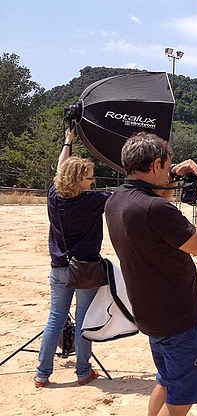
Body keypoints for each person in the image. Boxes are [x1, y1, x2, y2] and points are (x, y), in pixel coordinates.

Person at [105, 132, 197, 416]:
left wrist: (173, 175)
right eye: (167, 167)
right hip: (179, 318)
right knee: (180, 399)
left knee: (167, 381)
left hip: (151, 315)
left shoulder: (116, 201)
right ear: (155, 165)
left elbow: (154, 200)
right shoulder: (154, 209)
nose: (171, 172)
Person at [34, 128, 110, 387]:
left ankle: (42, 374)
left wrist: (68, 140)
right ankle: (82, 371)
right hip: (85, 268)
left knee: (55, 318)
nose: (92, 181)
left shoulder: (54, 197)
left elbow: (60, 169)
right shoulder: (92, 201)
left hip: (59, 267)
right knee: (83, 320)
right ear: (77, 180)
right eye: (88, 177)